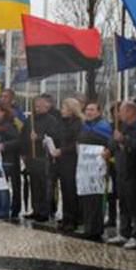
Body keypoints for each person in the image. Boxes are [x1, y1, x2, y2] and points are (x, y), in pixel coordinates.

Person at [105, 101, 136, 249]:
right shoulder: (121, 126)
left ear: (130, 112)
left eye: (121, 112)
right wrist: (110, 147)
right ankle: (123, 232)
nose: (118, 115)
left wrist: (124, 140)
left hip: (134, 171)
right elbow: (112, 143)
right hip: (121, 170)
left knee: (134, 204)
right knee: (122, 203)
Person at [19, 95, 62, 223]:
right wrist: (23, 152)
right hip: (31, 156)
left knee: (45, 186)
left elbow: (54, 136)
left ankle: (45, 211)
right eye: (36, 106)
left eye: (40, 106)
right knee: (34, 184)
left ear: (47, 106)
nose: (37, 108)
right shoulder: (29, 120)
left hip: (44, 157)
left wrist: (38, 137)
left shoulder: (52, 120)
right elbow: (23, 136)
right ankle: (35, 209)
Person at [77, 101, 112, 240]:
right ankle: (89, 226)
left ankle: (96, 228)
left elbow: (107, 142)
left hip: (98, 167)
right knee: (87, 197)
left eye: (92, 109)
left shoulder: (103, 126)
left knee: (96, 199)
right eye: (87, 110)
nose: (88, 112)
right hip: (86, 168)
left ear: (99, 112)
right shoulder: (85, 126)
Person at [51, 98, 83, 233]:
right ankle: (66, 216)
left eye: (64, 108)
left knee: (71, 190)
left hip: (72, 160)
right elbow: (59, 137)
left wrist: (62, 150)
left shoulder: (78, 124)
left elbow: (76, 143)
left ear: (71, 109)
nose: (62, 111)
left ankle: (73, 219)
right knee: (65, 189)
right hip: (62, 160)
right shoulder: (62, 123)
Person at [0, 88, 26, 219]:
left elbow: (22, 130)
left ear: (11, 98)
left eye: (6, 96)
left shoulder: (17, 113)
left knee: (15, 182)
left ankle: (16, 208)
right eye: (2, 96)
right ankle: (3, 205)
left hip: (14, 151)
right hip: (1, 151)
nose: (3, 99)